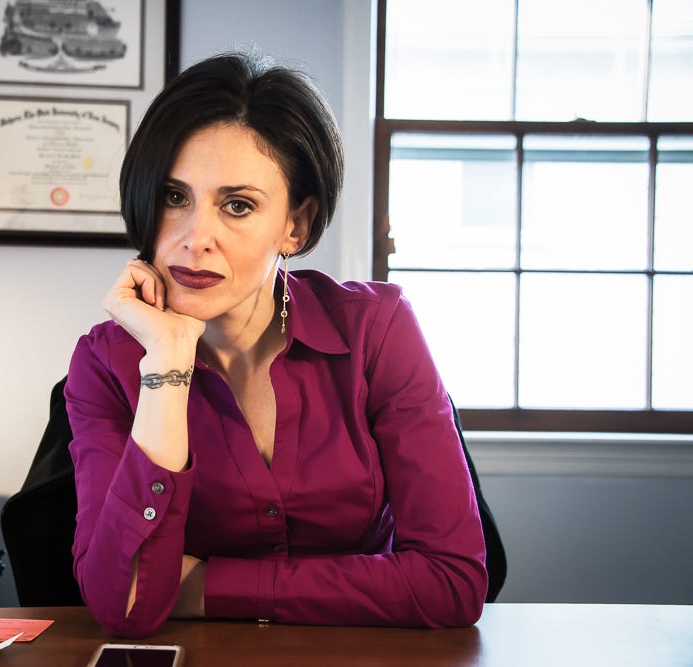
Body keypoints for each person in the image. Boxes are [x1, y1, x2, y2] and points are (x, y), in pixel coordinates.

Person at [64, 51, 487, 638]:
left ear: (296, 226)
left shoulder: (377, 331)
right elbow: (124, 603)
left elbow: (451, 582)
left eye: (237, 206)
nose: (195, 239)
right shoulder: (106, 363)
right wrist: (166, 367)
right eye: (173, 197)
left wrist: (205, 585)